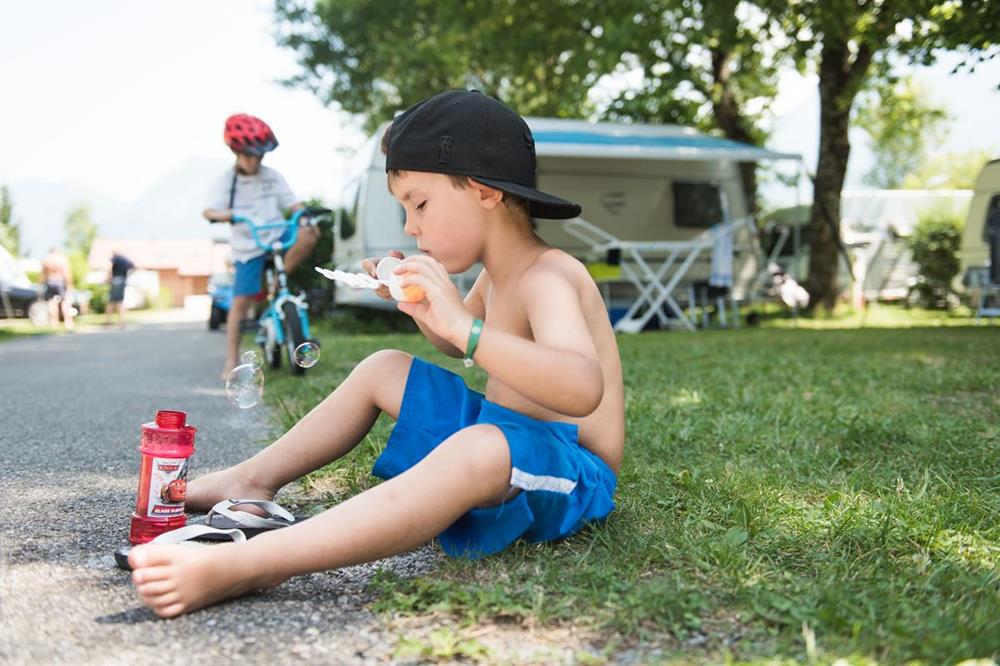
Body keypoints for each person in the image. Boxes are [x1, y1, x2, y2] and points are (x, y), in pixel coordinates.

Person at [128, 90, 626, 619]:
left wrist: (464, 326)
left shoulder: (549, 275)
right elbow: (453, 341)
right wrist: (425, 310)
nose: (410, 226)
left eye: (419, 203)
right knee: (385, 367)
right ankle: (251, 478)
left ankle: (256, 563)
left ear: (484, 192)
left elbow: (580, 386)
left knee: (480, 446)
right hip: (501, 434)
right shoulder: (493, 276)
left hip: (570, 468)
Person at [202, 113, 317, 378]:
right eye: (249, 155)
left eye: (260, 155)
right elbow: (208, 211)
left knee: (310, 233)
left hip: (276, 237)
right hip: (248, 245)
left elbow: (293, 204)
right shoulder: (226, 182)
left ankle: (278, 280)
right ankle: (231, 359)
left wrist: (304, 215)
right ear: (235, 151)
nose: (255, 161)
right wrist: (225, 215)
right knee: (240, 302)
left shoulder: (272, 176)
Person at [40, 246, 74, 331]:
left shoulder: (46, 260)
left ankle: (54, 323)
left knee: (52, 303)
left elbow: (43, 274)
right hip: (60, 281)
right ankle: (68, 322)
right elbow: (66, 273)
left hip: (50, 281)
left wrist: (40, 284)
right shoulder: (61, 259)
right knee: (65, 302)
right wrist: (69, 285)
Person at [105, 250, 134, 329]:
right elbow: (133, 266)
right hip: (122, 280)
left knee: (111, 301)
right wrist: (127, 276)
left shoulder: (115, 258)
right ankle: (121, 322)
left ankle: (108, 321)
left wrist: (108, 277)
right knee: (120, 302)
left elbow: (109, 267)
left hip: (116, 280)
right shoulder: (125, 260)